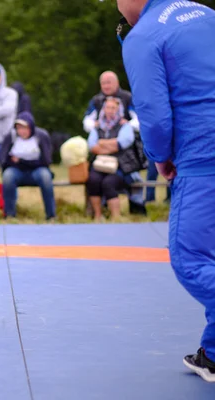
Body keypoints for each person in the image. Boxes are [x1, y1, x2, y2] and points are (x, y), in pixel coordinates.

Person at [117, 0, 215, 382]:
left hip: (203, 153)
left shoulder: (145, 34)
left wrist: (159, 157)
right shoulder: (206, 14)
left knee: (191, 258)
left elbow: (154, 114)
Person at [85, 97, 137, 222]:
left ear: (119, 110)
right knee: (92, 180)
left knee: (108, 183)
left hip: (119, 166)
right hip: (99, 165)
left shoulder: (125, 125)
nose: (110, 110)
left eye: (113, 108)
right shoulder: (97, 126)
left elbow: (122, 143)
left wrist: (102, 143)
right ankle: (97, 216)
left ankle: (116, 217)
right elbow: (92, 146)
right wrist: (111, 145)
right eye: (108, 107)